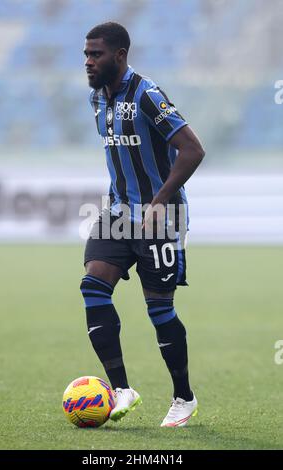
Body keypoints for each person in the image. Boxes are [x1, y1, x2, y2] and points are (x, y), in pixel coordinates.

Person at [81, 22, 205, 427]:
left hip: (161, 220)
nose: (88, 61)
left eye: (96, 54)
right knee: (93, 287)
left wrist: (159, 201)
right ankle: (121, 389)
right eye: (86, 54)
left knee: (159, 310)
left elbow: (192, 149)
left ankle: (183, 398)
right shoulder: (97, 98)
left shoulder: (147, 95)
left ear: (119, 55)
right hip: (118, 214)